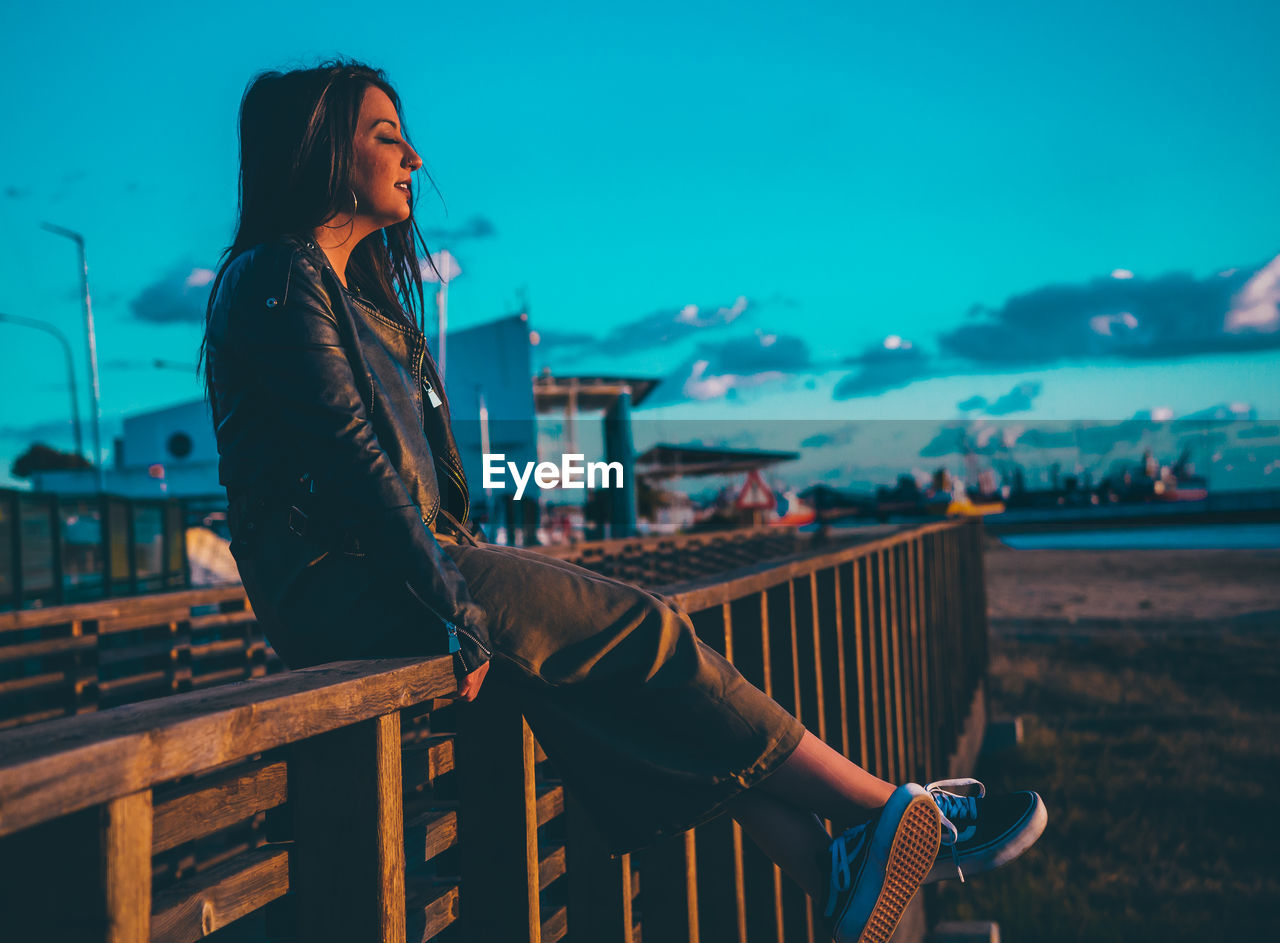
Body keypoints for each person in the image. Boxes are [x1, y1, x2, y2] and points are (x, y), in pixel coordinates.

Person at [200, 59, 1046, 942]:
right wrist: (450, 610)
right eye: (385, 136)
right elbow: (350, 461)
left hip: (402, 573)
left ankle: (829, 866)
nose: (413, 155)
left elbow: (421, 487)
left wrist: (456, 587)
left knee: (627, 702)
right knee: (647, 634)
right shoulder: (275, 276)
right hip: (354, 586)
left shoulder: (361, 302)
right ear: (318, 148)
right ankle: (883, 810)